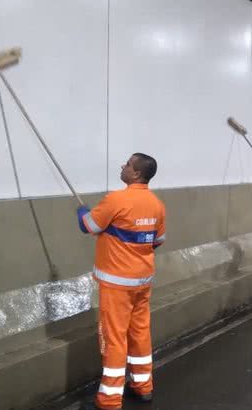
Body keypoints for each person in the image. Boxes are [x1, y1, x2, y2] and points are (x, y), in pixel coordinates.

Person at [77, 153, 166, 410]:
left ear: (136, 173)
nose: (123, 166)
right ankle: (143, 385)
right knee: (139, 332)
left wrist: (82, 212)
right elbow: (157, 241)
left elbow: (89, 226)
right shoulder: (157, 205)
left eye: (128, 164)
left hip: (117, 284)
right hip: (142, 281)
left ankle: (110, 398)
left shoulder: (116, 199)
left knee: (114, 338)